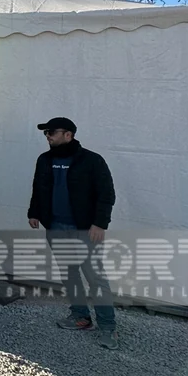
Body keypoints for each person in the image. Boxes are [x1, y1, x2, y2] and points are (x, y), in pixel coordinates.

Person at [28, 116, 120, 350]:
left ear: (68, 135)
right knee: (69, 274)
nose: (47, 136)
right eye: (46, 133)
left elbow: (106, 194)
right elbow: (38, 188)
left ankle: (108, 326)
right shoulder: (44, 160)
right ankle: (80, 316)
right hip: (55, 227)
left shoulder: (91, 161)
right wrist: (34, 213)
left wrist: (99, 224)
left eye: (51, 132)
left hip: (85, 230)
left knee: (95, 277)